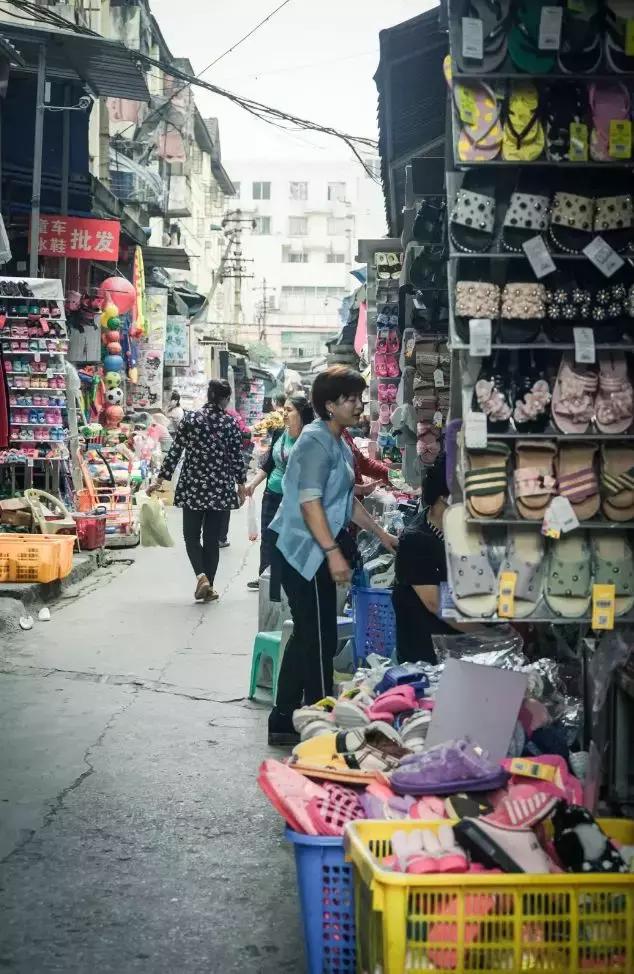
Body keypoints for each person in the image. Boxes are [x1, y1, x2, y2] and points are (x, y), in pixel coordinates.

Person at [267, 365, 398, 745]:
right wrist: (332, 552)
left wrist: (383, 535)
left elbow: (344, 500)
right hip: (302, 551)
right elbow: (310, 503)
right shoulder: (314, 441)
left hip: (318, 549)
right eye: (350, 399)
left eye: (360, 398)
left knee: (310, 634)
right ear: (328, 405)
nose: (359, 405)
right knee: (318, 638)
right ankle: (320, 722)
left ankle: (284, 718)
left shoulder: (339, 440)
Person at [148, 379, 246, 603]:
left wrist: (159, 480)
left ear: (208, 395)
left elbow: (175, 452)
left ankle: (201, 577)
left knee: (191, 536)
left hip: (193, 486)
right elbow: (237, 457)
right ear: (226, 399)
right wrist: (241, 485)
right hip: (220, 488)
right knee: (212, 539)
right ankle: (208, 585)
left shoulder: (191, 419)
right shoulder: (230, 423)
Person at [392, 458, 484, 664]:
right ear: (445, 496)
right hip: (427, 656)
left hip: (459, 645)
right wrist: (487, 635)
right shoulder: (416, 540)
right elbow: (436, 603)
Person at [244, 394, 314, 591]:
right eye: (284, 410)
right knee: (268, 539)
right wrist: (253, 484)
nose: (284, 414)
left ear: (301, 414)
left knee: (290, 539)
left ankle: (287, 581)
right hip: (272, 494)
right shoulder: (279, 433)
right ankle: (265, 578)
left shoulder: (310, 438)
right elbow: (270, 464)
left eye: (289, 410)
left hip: (295, 499)